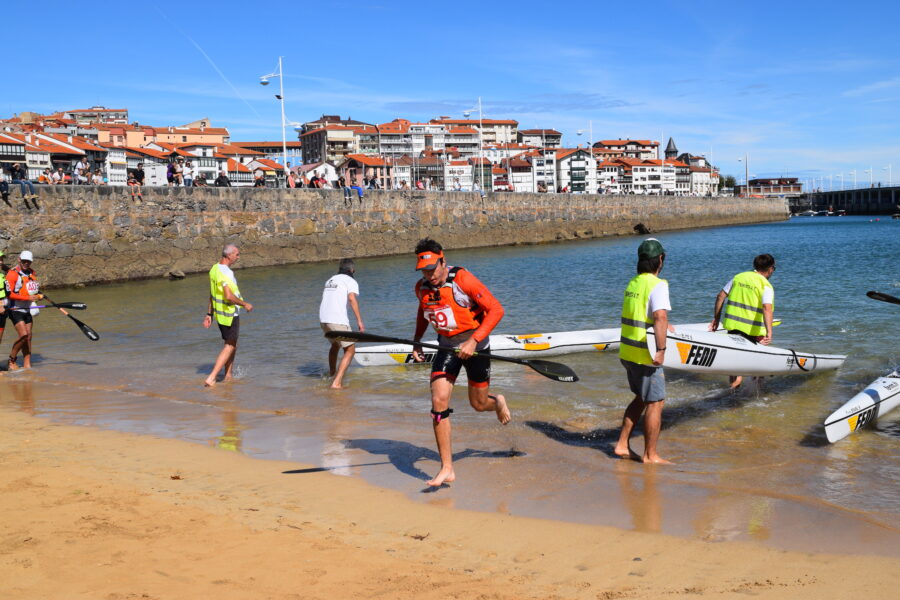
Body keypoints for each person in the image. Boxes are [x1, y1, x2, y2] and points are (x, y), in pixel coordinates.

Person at [411, 238, 510, 487]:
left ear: (443, 261)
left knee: (478, 404)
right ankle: (447, 468)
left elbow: (496, 309)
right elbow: (424, 313)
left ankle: (497, 401)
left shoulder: (463, 280)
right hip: (446, 346)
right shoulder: (421, 288)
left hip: (476, 347)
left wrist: (474, 341)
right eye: (424, 270)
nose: (429, 275)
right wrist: (417, 341)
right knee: (438, 401)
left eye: (432, 269)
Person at [615, 238, 673, 465]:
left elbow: (643, 314)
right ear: (660, 259)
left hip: (628, 352)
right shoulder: (657, 284)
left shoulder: (633, 283)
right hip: (646, 354)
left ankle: (621, 445)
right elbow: (659, 316)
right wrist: (661, 349)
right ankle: (651, 455)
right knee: (655, 402)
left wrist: (666, 327)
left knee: (641, 398)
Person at [709, 253, 776, 388]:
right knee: (759, 364)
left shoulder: (738, 277)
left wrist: (716, 319)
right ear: (770, 269)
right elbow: (766, 308)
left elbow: (720, 296)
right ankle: (757, 395)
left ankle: (734, 395)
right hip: (754, 331)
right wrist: (770, 332)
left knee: (735, 366)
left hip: (733, 328)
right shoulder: (765, 285)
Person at [203, 244, 253, 387]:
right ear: (229, 255)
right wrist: (245, 304)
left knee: (232, 344)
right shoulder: (226, 273)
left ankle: (228, 375)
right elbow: (228, 296)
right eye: (237, 254)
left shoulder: (214, 269)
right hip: (229, 313)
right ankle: (211, 377)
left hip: (219, 314)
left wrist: (209, 314)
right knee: (229, 346)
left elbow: (213, 294)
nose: (238, 257)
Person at [319, 258, 365, 389]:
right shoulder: (350, 280)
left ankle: (332, 373)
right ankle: (336, 383)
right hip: (337, 320)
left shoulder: (330, 280)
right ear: (352, 270)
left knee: (335, 345)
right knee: (350, 350)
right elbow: (351, 299)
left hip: (323, 319)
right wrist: (360, 321)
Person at [6, 250, 43, 370]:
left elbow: (32, 289)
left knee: (29, 337)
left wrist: (38, 295)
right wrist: (27, 297)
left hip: (28, 309)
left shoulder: (32, 272)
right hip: (15, 308)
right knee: (23, 335)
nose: (26, 263)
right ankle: (12, 360)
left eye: (29, 261)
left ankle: (27, 365)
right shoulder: (12, 274)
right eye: (24, 261)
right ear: (19, 260)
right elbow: (9, 294)